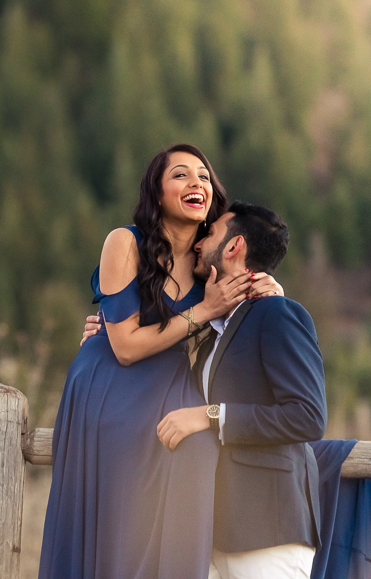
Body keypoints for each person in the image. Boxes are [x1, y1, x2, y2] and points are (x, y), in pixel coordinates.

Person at [38, 143, 277, 579]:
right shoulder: (124, 243)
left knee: (199, 451)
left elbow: (260, 300)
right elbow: (126, 347)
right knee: (115, 506)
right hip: (109, 382)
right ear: (158, 193)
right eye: (181, 175)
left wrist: (272, 290)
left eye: (204, 177)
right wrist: (204, 311)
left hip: (171, 384)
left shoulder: (211, 265)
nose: (196, 184)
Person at [155, 202, 326, 579]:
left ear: (234, 247)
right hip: (212, 533)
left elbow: (308, 416)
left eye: (211, 234)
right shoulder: (213, 331)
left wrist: (210, 415)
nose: (199, 244)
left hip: (269, 531)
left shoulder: (278, 313)